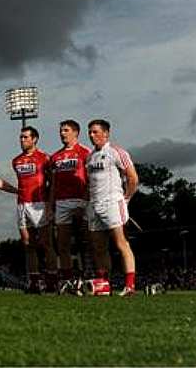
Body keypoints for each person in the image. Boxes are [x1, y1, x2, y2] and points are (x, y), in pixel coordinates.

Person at [86, 119, 139, 296]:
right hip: (94, 204)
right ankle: (104, 284)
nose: (92, 136)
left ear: (106, 133)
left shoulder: (117, 152)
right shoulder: (90, 157)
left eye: (95, 132)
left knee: (120, 243)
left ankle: (130, 285)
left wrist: (126, 198)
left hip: (112, 202)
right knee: (98, 247)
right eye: (90, 132)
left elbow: (133, 178)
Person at [48, 119, 93, 289]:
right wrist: (51, 205)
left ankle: (89, 275)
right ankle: (67, 279)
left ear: (76, 132)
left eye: (66, 130)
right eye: (61, 130)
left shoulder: (85, 152)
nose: (62, 133)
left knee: (86, 241)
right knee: (63, 243)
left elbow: (90, 179)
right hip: (61, 203)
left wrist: (87, 201)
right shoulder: (55, 157)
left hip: (81, 201)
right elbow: (52, 184)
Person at [12, 126, 57, 293]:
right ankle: (34, 281)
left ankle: (52, 280)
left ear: (35, 139)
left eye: (25, 137)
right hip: (22, 204)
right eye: (21, 137)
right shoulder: (16, 161)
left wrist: (50, 204)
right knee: (28, 244)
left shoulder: (45, 158)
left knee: (46, 243)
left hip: (39, 204)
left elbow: (52, 184)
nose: (22, 140)